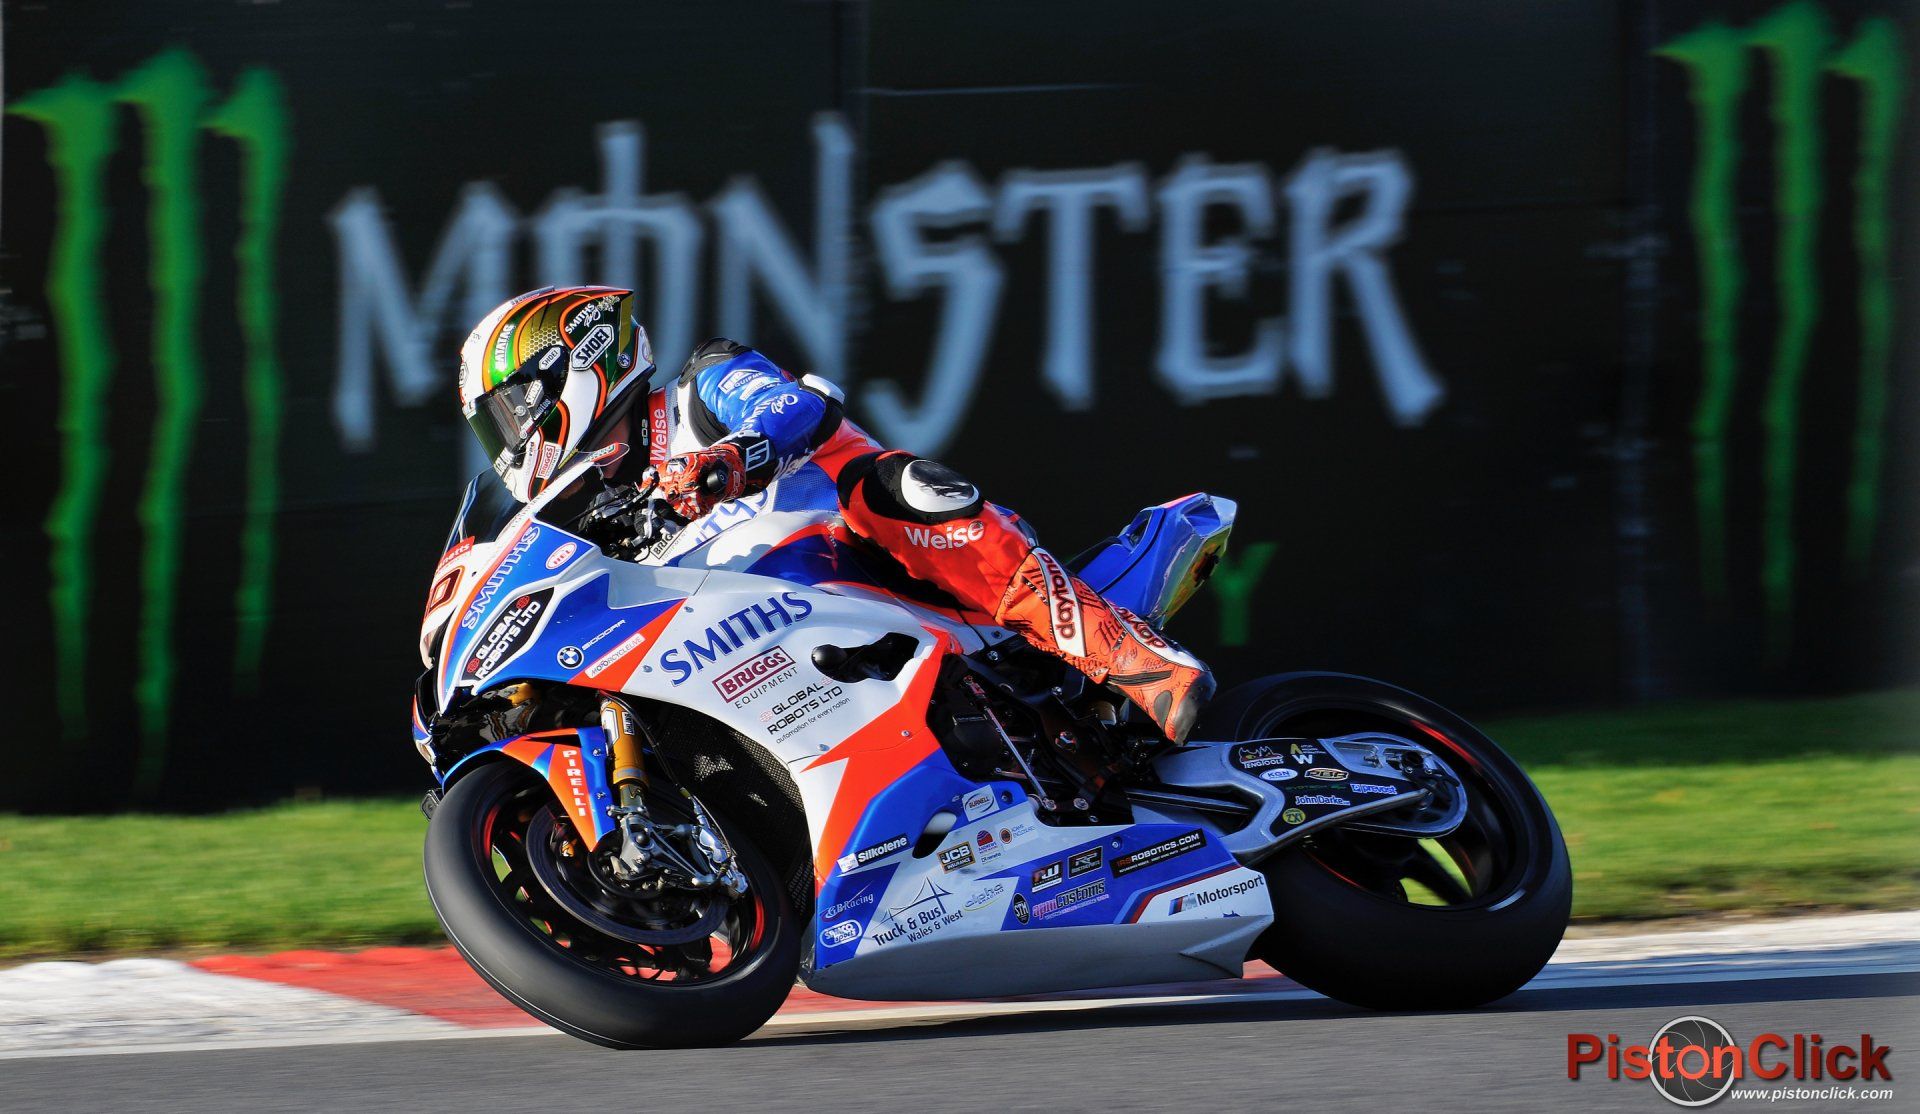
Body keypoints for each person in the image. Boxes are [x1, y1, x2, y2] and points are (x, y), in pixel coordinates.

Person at [458, 286, 1213, 742]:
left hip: (876, 575)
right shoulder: (589, 516)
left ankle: (1134, 660)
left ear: (576, 363)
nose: (509, 437)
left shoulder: (699, 387)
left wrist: (730, 459)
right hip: (763, 664)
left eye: (510, 409)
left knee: (889, 485)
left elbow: (796, 405)